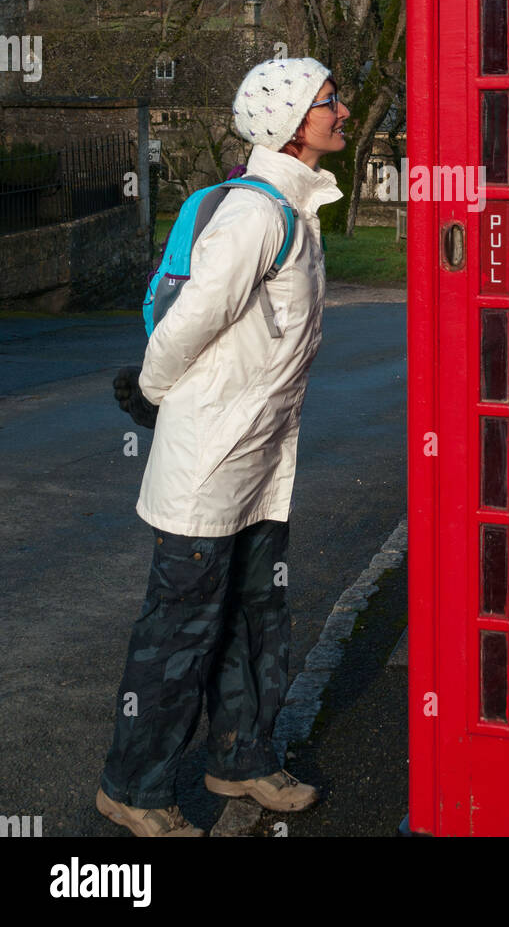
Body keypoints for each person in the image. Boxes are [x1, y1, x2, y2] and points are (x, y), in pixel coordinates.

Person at [97, 57, 350, 837]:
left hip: (261, 463)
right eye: (328, 100)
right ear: (291, 123)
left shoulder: (295, 209)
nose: (341, 109)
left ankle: (241, 759)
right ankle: (134, 788)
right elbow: (189, 322)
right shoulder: (256, 215)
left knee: (255, 616)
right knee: (179, 632)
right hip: (209, 465)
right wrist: (151, 390)